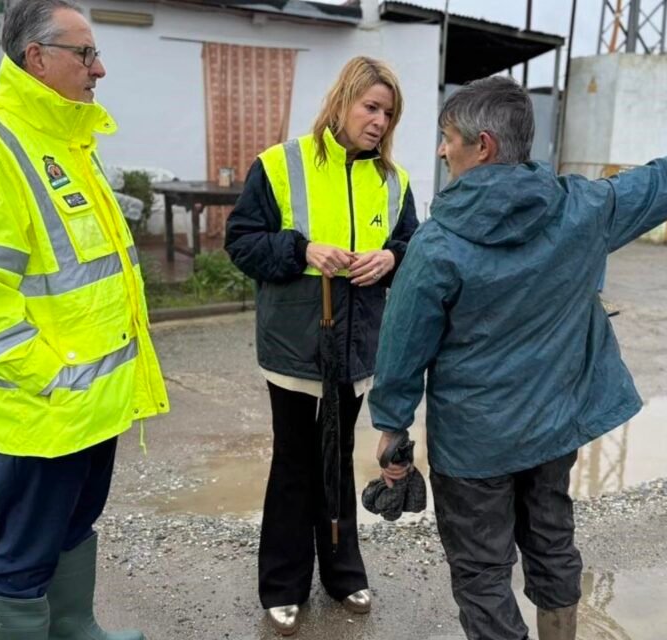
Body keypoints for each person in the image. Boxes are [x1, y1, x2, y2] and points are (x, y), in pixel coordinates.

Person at [368, 76, 667, 640]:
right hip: (553, 432)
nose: (440, 149)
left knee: (482, 573)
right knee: (552, 543)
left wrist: (392, 427)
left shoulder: (437, 244)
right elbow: (665, 181)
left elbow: (403, 346)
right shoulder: (584, 208)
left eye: (446, 137)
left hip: (474, 448)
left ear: (481, 146)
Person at [0, 1, 169, 638]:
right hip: (46, 404)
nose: (100, 69)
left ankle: (74, 628)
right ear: (37, 57)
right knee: (24, 556)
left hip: (92, 400)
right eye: (85, 54)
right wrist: (48, 378)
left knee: (75, 526)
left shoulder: (65, 138)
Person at [225, 56, 419, 636]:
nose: (380, 121)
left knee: (336, 458)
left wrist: (393, 258)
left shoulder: (394, 180)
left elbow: (414, 248)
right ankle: (283, 583)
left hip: (358, 349)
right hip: (295, 349)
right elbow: (242, 242)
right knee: (294, 463)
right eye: (371, 107)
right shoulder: (279, 164)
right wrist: (302, 250)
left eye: (389, 113)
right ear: (342, 102)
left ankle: (342, 573)